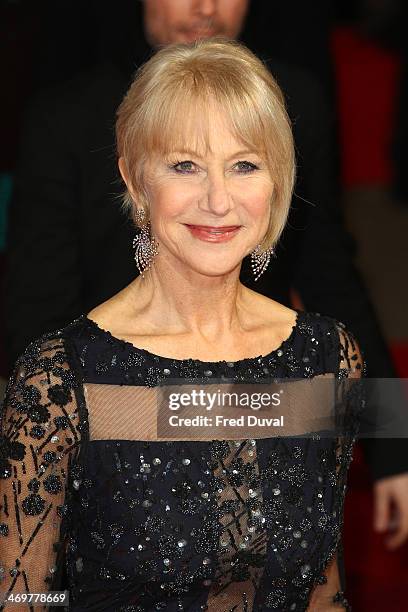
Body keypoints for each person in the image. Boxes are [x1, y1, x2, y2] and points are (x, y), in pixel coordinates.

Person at [4, 0, 408, 555]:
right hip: (111, 420)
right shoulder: (66, 114)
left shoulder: (294, 102)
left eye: (245, 164)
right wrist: (68, 439)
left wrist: (394, 446)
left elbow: (332, 269)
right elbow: (35, 298)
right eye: (184, 165)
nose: (205, 6)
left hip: (263, 401)